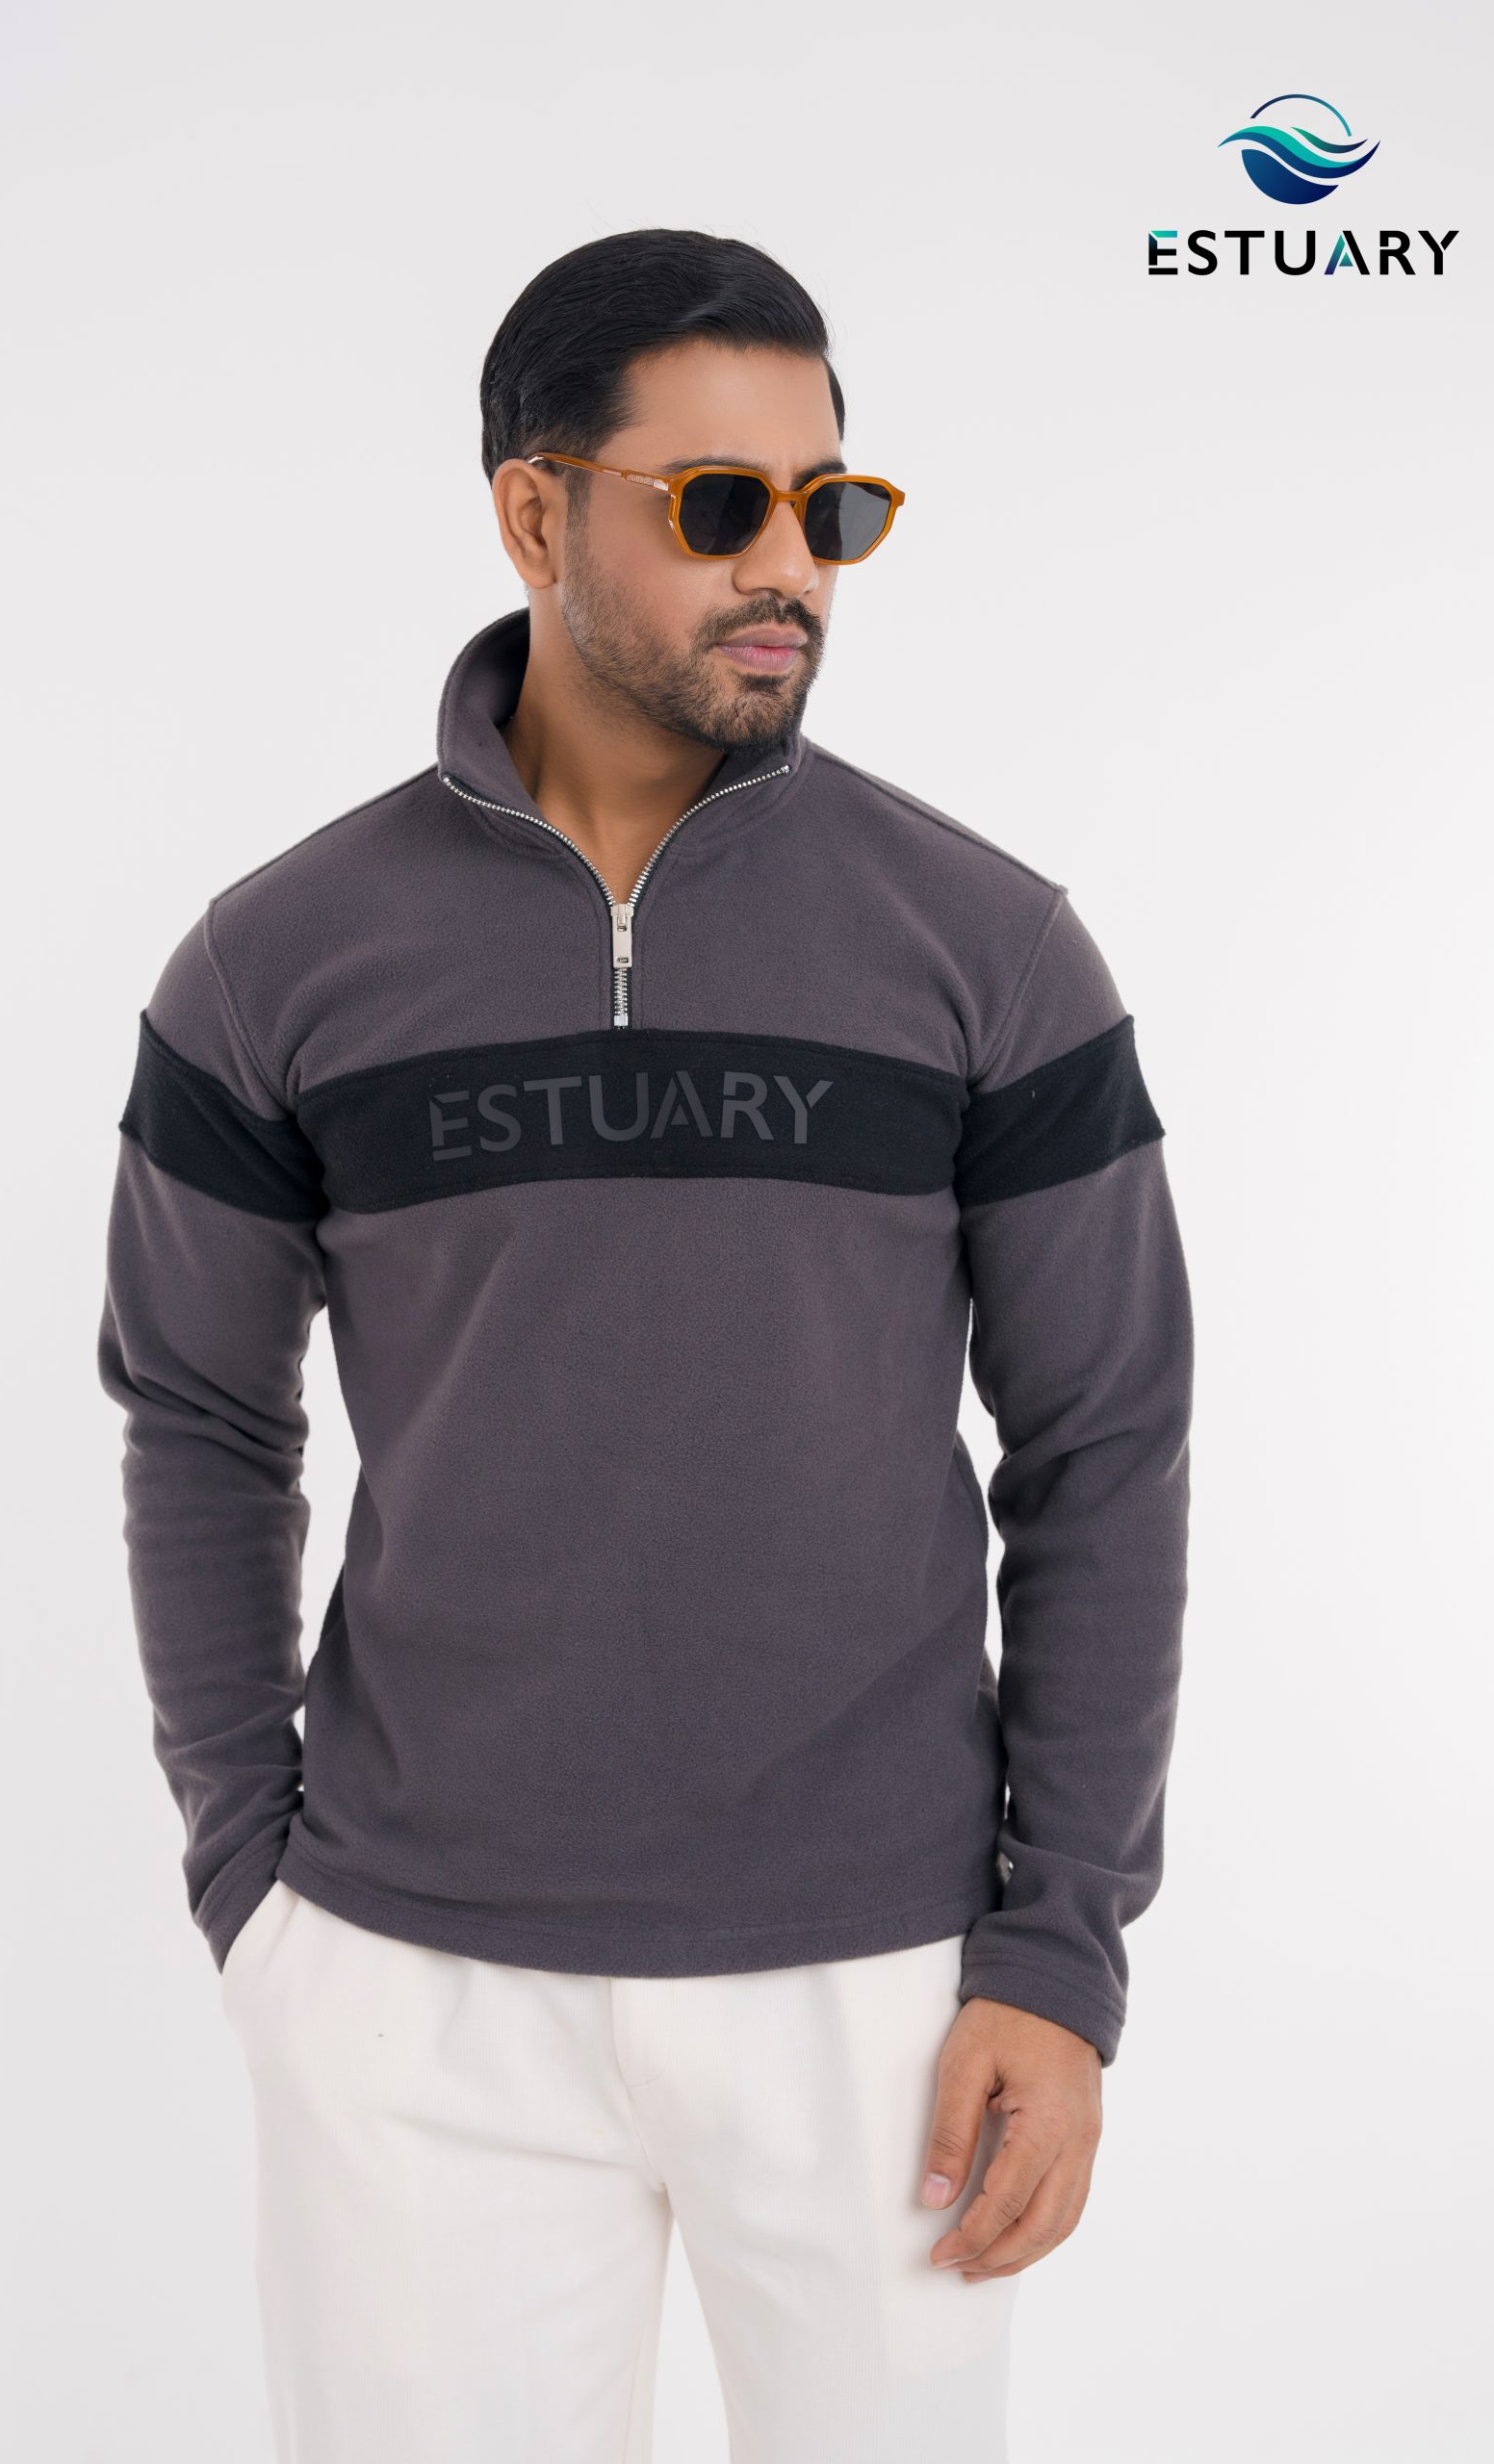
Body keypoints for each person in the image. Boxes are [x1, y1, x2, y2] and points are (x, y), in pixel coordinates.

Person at [96, 225, 1193, 2463]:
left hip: (883, 1983)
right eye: (718, 504)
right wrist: (251, 1878)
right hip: (413, 1983)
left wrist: (1059, 1949)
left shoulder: (990, 949)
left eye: (830, 506)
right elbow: (199, 1415)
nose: (790, 564)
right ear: (535, 512)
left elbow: (1108, 1440)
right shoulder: (276, 962)